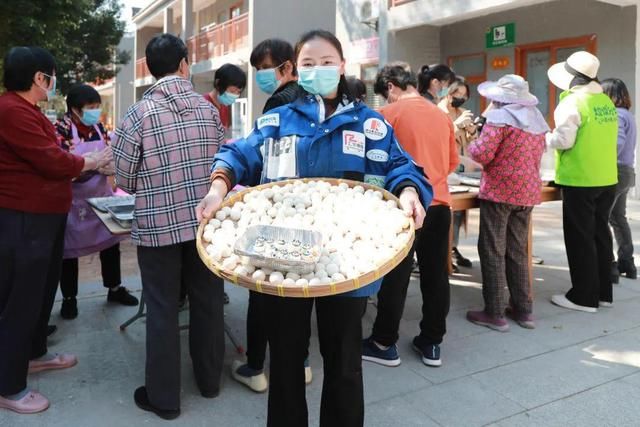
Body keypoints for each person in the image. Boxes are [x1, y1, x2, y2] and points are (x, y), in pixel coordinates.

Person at [196, 30, 432, 427]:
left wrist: (408, 190)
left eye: (327, 62)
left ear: (342, 67)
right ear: (296, 70)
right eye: (308, 63)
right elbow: (239, 153)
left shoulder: (369, 123)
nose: (318, 70)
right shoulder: (278, 120)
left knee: (344, 362)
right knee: (286, 360)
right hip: (283, 257)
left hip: (347, 265)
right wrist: (219, 185)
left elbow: (401, 166)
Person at [112, 34, 226, 420]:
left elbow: (124, 178)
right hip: (205, 225)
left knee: (161, 309)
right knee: (208, 302)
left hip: (158, 228)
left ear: (148, 68)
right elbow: (221, 168)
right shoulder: (209, 110)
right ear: (184, 64)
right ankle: (210, 383)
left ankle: (164, 398)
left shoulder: (136, 115)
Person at [0, 46, 111, 414]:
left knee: (41, 291)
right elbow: (50, 159)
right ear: (38, 78)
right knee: (21, 300)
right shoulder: (10, 110)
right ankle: (9, 386)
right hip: (23, 218)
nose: (52, 82)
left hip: (43, 218)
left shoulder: (28, 110)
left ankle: (33, 354)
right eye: (50, 75)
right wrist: (91, 160)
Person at [362, 62, 457, 368]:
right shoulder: (442, 117)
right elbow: (452, 163)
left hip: (404, 207)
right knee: (436, 275)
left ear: (391, 86)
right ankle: (432, 343)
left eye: (385, 94)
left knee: (396, 276)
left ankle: (383, 341)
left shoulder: (387, 116)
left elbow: (375, 165)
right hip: (441, 203)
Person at [231, 38, 307, 393]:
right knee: (297, 288)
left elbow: (263, 159)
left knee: (262, 291)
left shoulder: (280, 103)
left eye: (265, 67)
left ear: (287, 67)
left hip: (276, 207)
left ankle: (255, 367)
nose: (261, 75)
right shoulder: (312, 101)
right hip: (305, 211)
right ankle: (301, 363)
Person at [465, 75, 549, 331]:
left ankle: (495, 312)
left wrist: (474, 136)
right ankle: (524, 311)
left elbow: (482, 153)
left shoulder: (499, 119)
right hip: (528, 192)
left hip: (500, 191)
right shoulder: (536, 119)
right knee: (518, 251)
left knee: (492, 249)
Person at [55, 84, 138, 320]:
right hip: (73, 202)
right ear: (74, 110)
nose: (95, 113)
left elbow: (109, 153)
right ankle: (69, 299)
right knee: (68, 253)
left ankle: (114, 288)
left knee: (110, 244)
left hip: (101, 196)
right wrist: (89, 165)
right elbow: (63, 166)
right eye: (89, 108)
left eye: (97, 107)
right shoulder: (60, 129)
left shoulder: (98, 127)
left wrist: (110, 167)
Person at [546, 51, 618, 313]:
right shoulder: (605, 102)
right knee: (600, 234)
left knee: (580, 238)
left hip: (580, 179)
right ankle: (603, 293)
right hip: (607, 178)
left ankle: (583, 297)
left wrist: (544, 138)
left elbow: (564, 141)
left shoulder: (572, 103)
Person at [437, 77, 477, 271]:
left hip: (461, 166)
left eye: (463, 95)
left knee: (461, 212)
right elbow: (438, 138)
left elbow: (471, 141)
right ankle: (443, 251)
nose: (460, 98)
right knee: (447, 210)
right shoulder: (438, 112)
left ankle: (453, 248)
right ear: (447, 93)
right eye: (456, 94)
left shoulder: (462, 112)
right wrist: (456, 125)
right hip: (443, 166)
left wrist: (471, 130)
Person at [602, 78, 637, 280]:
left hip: (615, 171)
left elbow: (617, 142)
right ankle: (628, 264)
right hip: (627, 172)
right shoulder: (628, 115)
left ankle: (610, 267)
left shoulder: (615, 115)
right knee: (618, 218)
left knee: (602, 219)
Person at [203, 63, 247, 134]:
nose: (235, 95)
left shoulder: (224, 107)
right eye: (232, 91)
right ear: (218, 84)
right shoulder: (202, 104)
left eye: (238, 92)